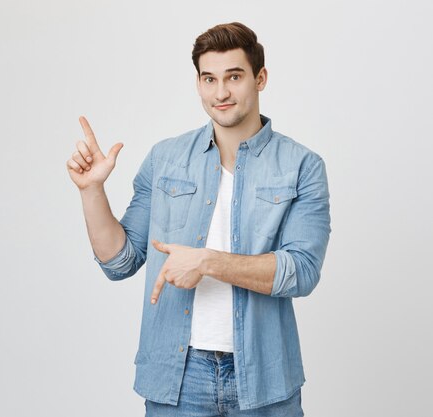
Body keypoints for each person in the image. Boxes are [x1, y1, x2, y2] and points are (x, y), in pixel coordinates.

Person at [66, 22, 330, 417]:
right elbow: (119, 262)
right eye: (209, 79)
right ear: (199, 83)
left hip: (263, 377)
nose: (220, 92)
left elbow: (301, 272)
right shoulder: (165, 158)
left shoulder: (302, 167)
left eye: (234, 77)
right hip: (178, 377)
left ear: (260, 79)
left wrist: (208, 261)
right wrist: (91, 191)